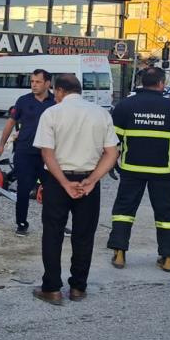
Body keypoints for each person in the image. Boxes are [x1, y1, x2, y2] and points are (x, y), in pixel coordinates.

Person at [31, 74, 119, 305]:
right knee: (84, 235)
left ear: (59, 91)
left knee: (53, 234)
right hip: (89, 182)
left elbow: (47, 153)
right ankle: (78, 287)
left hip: (57, 180)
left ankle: (52, 288)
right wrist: (92, 180)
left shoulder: (51, 113)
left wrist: (63, 183)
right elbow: (112, 152)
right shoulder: (101, 113)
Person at [106, 67, 170, 272]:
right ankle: (168, 256)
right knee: (166, 213)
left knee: (124, 211)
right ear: (162, 84)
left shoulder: (125, 106)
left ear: (142, 82)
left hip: (131, 169)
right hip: (162, 171)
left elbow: (112, 140)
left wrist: (110, 162)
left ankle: (119, 253)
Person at [0, 69, 56, 236]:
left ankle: (56, 224)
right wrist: (1, 144)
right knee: (24, 189)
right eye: (32, 81)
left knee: (53, 190)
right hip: (25, 152)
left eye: (38, 82)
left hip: (49, 153)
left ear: (47, 83)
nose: (34, 85)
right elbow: (11, 122)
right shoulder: (23, 101)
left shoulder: (56, 101)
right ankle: (21, 223)